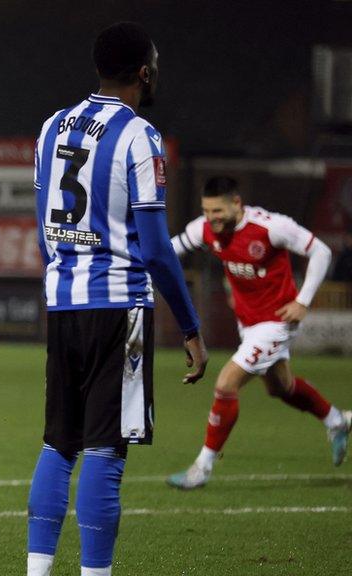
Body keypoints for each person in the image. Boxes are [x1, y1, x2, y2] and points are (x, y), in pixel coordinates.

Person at [28, 22, 207, 576]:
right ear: (144, 72)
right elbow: (155, 249)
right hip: (120, 308)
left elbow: (42, 232)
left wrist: (64, 275)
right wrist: (193, 328)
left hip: (62, 302)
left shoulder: (51, 127)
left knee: (60, 442)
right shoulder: (139, 137)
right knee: (107, 448)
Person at [166, 176, 350, 489]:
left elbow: (321, 252)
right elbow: (171, 250)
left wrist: (303, 301)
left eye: (218, 211)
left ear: (237, 204)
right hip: (248, 324)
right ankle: (337, 421)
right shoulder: (205, 228)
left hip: (277, 322)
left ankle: (202, 468)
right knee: (281, 387)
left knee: (226, 384)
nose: (212, 218)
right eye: (207, 211)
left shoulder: (271, 227)